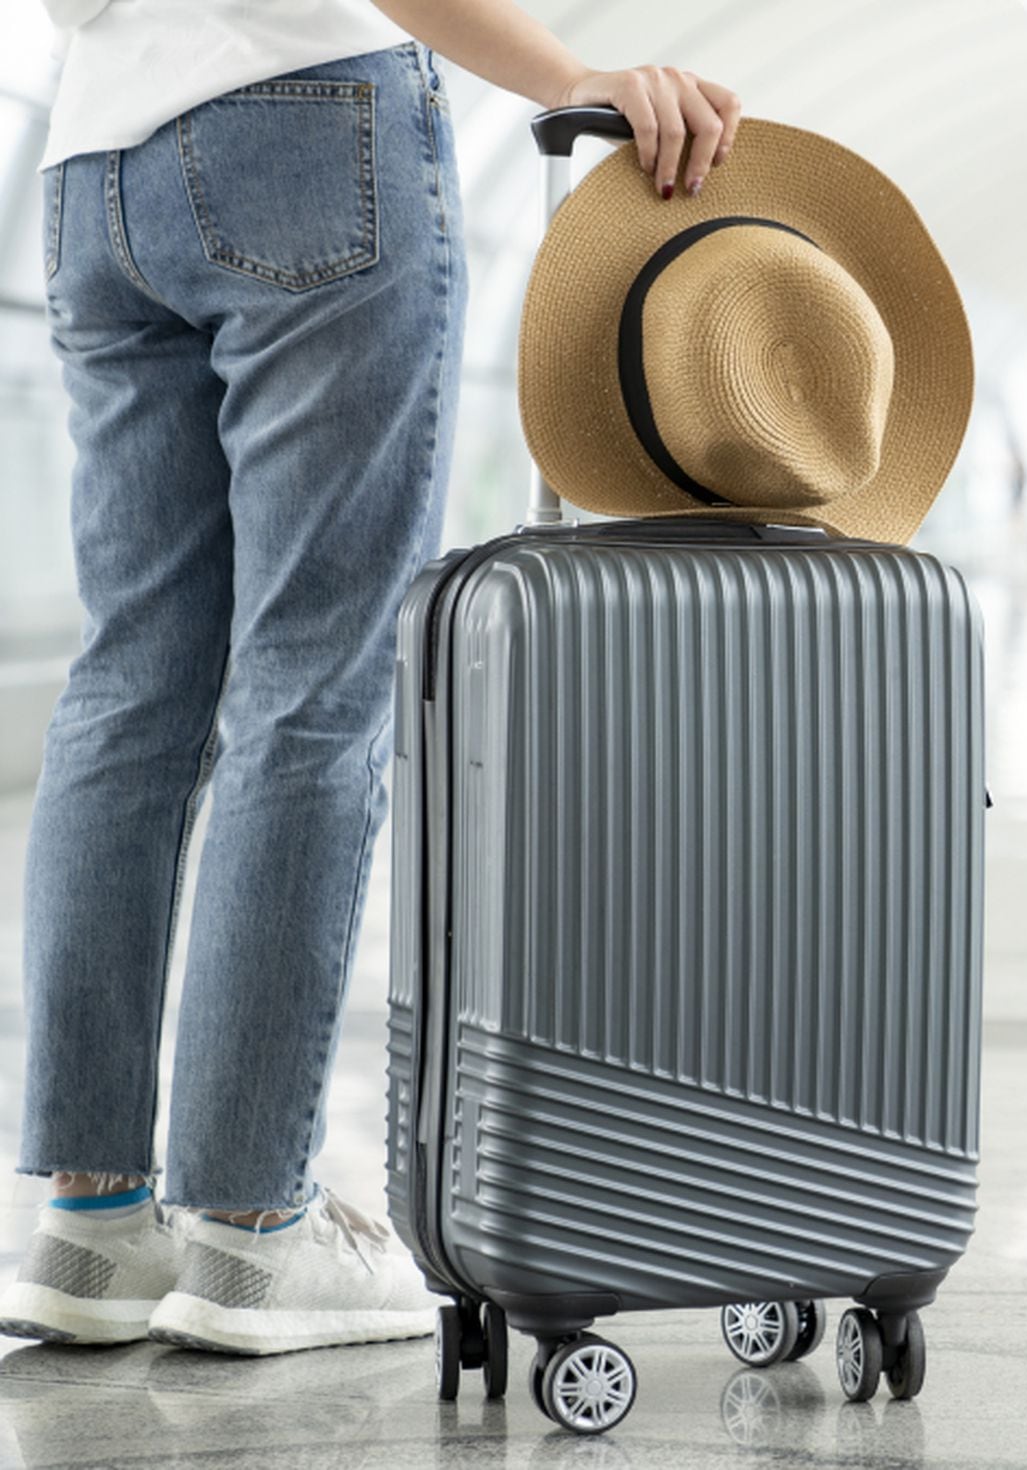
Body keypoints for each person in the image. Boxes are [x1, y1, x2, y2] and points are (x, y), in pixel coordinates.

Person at [1, 0, 740, 1355]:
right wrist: (573, 75)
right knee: (311, 687)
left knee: (130, 688)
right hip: (302, 119)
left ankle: (89, 1221)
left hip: (95, 163)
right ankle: (248, 1234)